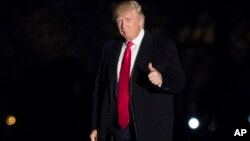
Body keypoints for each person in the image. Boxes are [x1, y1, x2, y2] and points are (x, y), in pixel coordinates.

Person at [90, 1, 185, 141]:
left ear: (141, 21)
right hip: (113, 129)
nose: (123, 25)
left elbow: (179, 81)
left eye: (128, 20)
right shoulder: (110, 48)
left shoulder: (162, 46)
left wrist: (161, 79)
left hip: (148, 129)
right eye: (119, 20)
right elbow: (100, 90)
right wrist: (96, 125)